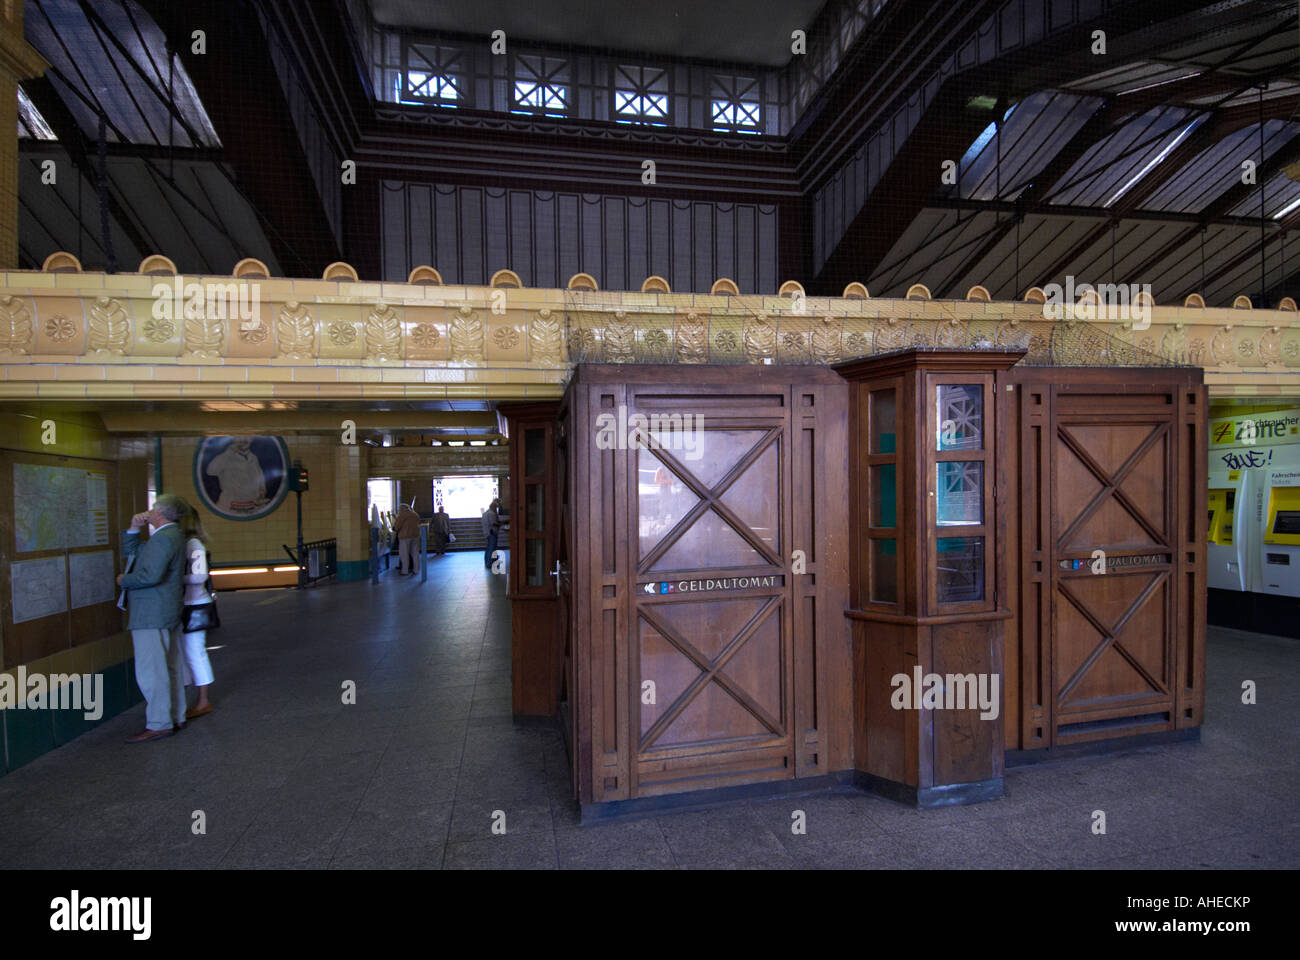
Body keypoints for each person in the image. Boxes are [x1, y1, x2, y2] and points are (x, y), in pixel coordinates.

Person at [116, 495, 188, 743]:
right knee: (170, 666)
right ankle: (176, 715)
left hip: (150, 613)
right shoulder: (173, 536)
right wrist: (133, 529)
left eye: (153, 508)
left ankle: (158, 723)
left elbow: (149, 575)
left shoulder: (162, 539)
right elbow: (135, 553)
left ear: (160, 513)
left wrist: (123, 580)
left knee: (151, 671)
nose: (149, 511)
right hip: (166, 609)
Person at [179, 508, 215, 719]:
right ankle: (193, 698)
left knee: (195, 652)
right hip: (188, 604)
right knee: (187, 653)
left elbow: (199, 576)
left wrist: (176, 577)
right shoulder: (187, 544)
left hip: (195, 605)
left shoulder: (194, 545)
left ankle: (203, 700)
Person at [206, 438, 266, 515]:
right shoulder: (225, 457)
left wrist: (262, 491)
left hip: (253, 507)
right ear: (234, 441)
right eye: (239, 439)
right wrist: (228, 453)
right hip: (229, 507)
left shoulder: (253, 458)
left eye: (246, 439)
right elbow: (210, 471)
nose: (243, 442)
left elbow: (260, 476)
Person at [393, 503, 422, 576]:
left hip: (405, 536)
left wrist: (395, 527)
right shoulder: (415, 514)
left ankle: (405, 571)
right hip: (415, 535)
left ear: (401, 509)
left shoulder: (402, 515)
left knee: (404, 554)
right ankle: (416, 570)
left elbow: (397, 526)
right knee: (415, 553)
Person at [482, 498, 501, 568]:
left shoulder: (485, 513)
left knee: (489, 548)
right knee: (492, 548)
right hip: (492, 533)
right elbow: (494, 523)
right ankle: (490, 563)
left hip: (487, 533)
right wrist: (501, 524)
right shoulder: (492, 514)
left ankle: (488, 562)